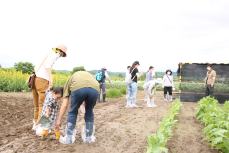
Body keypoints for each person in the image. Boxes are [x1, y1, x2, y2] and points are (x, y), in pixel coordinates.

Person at [55, 70, 99, 144]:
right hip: (95, 89)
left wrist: (58, 121)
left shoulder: (70, 79)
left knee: (73, 111)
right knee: (89, 111)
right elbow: (86, 94)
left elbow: (65, 104)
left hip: (78, 89)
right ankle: (89, 138)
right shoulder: (88, 76)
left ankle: (69, 139)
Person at [32, 45, 67, 130]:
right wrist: (51, 80)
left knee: (36, 105)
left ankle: (35, 124)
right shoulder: (54, 55)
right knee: (42, 104)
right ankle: (40, 126)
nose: (60, 56)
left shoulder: (46, 54)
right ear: (60, 51)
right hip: (43, 80)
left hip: (34, 79)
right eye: (62, 54)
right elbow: (47, 66)